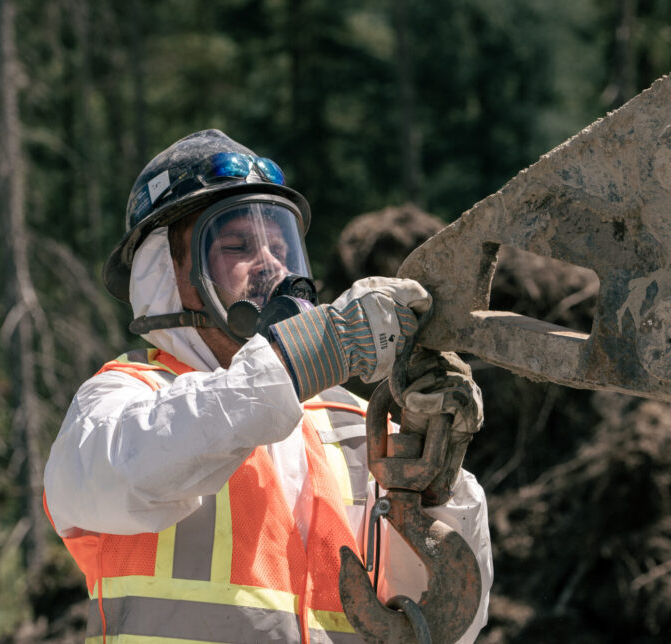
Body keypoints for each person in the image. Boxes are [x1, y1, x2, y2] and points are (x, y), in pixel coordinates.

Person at [43, 129, 493, 643]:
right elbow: (133, 473)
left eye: (281, 247)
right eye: (236, 245)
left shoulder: (350, 423)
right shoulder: (120, 403)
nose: (272, 267)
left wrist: (435, 468)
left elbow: (446, 624)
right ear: (163, 275)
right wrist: (312, 351)